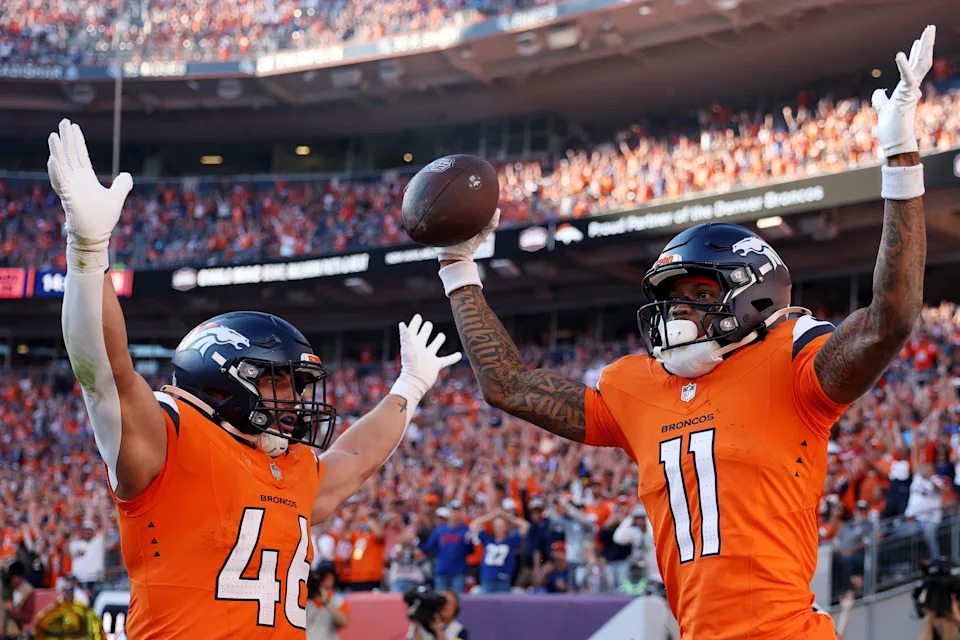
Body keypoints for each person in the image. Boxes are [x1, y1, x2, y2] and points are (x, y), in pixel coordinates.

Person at [434, 26, 936, 640]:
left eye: (699, 295)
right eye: (671, 299)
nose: (680, 314)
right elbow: (507, 385)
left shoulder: (796, 365)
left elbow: (892, 315)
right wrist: (458, 266)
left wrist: (900, 159)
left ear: (752, 294)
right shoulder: (634, 386)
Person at [47, 119, 462, 639]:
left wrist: (410, 388)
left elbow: (356, 460)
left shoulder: (289, 468)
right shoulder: (170, 439)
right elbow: (103, 372)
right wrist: (88, 254)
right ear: (223, 379)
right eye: (281, 382)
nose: (296, 400)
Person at [467, 507, 529, 593]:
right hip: (487, 579)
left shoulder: (511, 541)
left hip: (503, 580)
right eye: (497, 525)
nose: (500, 528)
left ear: (506, 527)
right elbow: (474, 524)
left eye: (502, 525)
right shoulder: (488, 539)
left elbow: (525, 525)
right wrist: (492, 515)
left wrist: (505, 516)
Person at [32, 575, 106, 640]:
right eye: (66, 591)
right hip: (64, 629)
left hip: (79, 627)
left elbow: (86, 613)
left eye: (70, 591)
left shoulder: (80, 596)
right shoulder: (61, 599)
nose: (68, 593)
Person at [420, 503, 471, 593]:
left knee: (457, 601)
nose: (455, 514)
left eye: (458, 511)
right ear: (449, 513)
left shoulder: (466, 530)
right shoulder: (439, 530)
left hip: (458, 573)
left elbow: (470, 550)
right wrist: (417, 542)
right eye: (453, 511)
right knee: (439, 601)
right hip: (442, 572)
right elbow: (429, 548)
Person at [305, 567, 350, 640]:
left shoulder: (337, 601)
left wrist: (327, 603)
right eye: (324, 577)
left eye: (330, 578)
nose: (327, 580)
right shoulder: (307, 600)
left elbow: (344, 622)